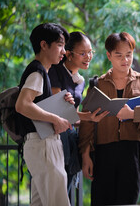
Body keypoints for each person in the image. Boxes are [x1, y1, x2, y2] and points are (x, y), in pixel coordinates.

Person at [78, 32, 140, 205]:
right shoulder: (97, 85)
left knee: (128, 202)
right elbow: (87, 123)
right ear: (109, 55)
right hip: (103, 151)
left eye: (129, 55)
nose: (125, 60)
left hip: (134, 151)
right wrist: (85, 155)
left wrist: (136, 115)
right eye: (119, 55)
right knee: (101, 201)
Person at [15, 23, 73, 205]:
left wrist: (62, 106)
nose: (64, 51)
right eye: (60, 45)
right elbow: (22, 105)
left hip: (39, 144)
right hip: (43, 144)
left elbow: (35, 106)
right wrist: (55, 118)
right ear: (44, 45)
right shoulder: (38, 71)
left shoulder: (41, 72)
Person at [48, 32, 109, 195]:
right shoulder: (55, 70)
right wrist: (88, 116)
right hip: (53, 137)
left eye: (90, 52)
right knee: (54, 191)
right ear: (68, 54)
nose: (88, 57)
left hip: (69, 135)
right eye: (83, 53)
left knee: (66, 189)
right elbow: (59, 109)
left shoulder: (80, 80)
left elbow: (72, 114)